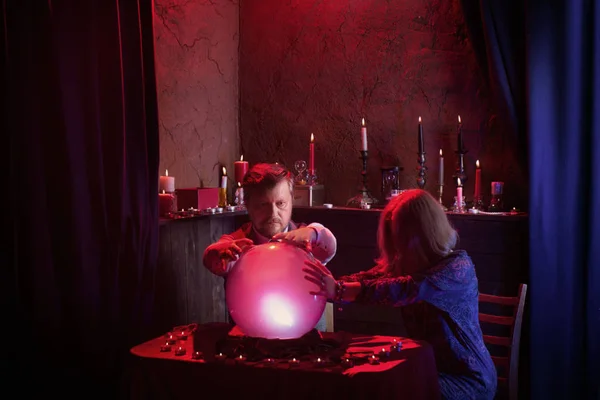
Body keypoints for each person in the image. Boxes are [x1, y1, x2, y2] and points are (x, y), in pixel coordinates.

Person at [303, 189, 497, 399]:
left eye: (400, 238)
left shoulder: (457, 267)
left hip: (468, 380)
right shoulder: (409, 263)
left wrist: (338, 290)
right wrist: (327, 282)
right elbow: (371, 278)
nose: (396, 248)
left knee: (394, 389)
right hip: (426, 370)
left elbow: (405, 289)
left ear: (422, 233)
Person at [203, 162, 337, 331]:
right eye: (263, 205)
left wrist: (314, 231)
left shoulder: (306, 240)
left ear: (292, 200)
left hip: (307, 338)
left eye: (281, 203)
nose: (273, 214)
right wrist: (216, 254)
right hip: (251, 338)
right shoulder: (238, 242)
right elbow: (213, 255)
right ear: (247, 205)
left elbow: (330, 246)